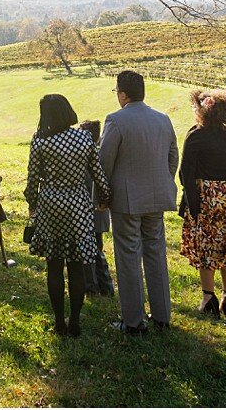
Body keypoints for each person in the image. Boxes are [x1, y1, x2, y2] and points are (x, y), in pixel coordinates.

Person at [99, 69, 178, 334]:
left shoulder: (116, 120)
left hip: (127, 200)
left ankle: (133, 321)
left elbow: (104, 163)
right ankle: (162, 315)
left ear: (122, 94)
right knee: (156, 253)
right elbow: (172, 155)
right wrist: (164, 180)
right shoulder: (163, 119)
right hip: (156, 197)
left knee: (128, 256)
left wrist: (101, 197)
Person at [26, 94, 110, 337]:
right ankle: (75, 320)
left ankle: (58, 321)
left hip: (51, 203)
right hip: (77, 203)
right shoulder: (84, 138)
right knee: (76, 265)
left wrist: (32, 202)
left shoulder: (40, 142)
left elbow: (32, 179)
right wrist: (104, 197)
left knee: (54, 265)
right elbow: (98, 173)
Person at [178, 89, 226, 318]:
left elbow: (185, 174)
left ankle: (208, 297)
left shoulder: (196, 136)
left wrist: (192, 205)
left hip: (206, 196)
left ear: (203, 112)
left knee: (207, 246)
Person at [79, 119, 116, 297]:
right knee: (97, 249)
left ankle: (92, 287)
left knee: (87, 251)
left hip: (87, 212)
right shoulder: (102, 155)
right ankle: (106, 287)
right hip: (100, 212)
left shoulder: (85, 159)